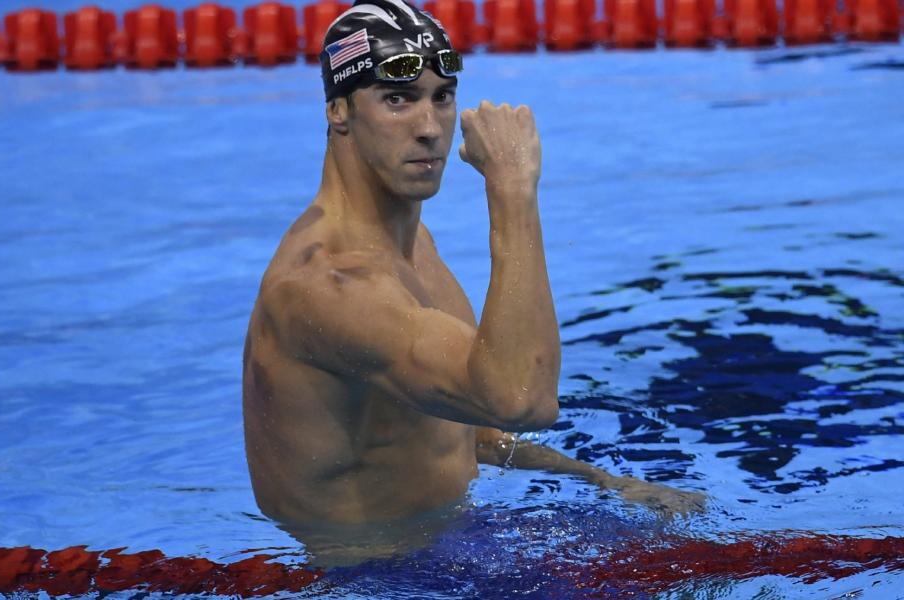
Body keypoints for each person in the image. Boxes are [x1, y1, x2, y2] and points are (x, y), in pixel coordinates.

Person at [242, 0, 704, 561]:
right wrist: (512, 188)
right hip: (373, 580)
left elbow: (473, 421)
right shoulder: (330, 286)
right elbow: (521, 399)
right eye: (398, 99)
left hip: (451, 550)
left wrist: (604, 483)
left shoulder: (410, 245)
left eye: (442, 96)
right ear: (338, 111)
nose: (431, 128)